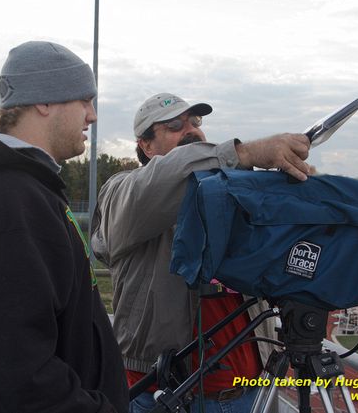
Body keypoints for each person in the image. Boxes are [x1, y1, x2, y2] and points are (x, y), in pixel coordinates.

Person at [0, 41, 128, 413]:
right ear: (44, 102)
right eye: (85, 100)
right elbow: (13, 370)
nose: (93, 116)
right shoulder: (7, 199)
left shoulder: (23, 188)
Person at [91, 93, 311, 412]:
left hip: (249, 394)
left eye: (195, 122)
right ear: (146, 145)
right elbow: (156, 185)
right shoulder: (121, 190)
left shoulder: (225, 190)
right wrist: (245, 152)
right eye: (175, 126)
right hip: (161, 395)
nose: (192, 130)